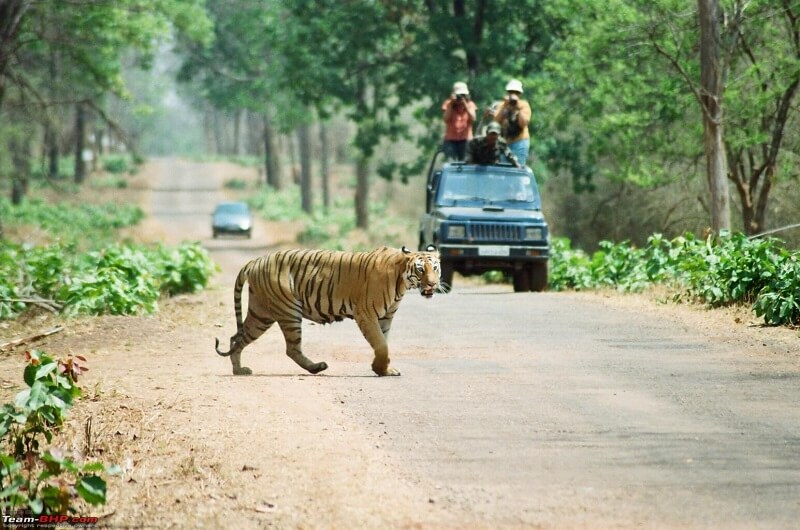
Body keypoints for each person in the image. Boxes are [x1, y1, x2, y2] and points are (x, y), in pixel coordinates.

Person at [493, 78, 531, 165]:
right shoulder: (502, 105)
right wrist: (505, 106)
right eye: (511, 92)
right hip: (504, 142)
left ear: (520, 94)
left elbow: (523, 123)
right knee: (502, 169)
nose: (513, 95)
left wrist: (517, 107)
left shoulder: (524, 105)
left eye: (516, 93)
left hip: (520, 142)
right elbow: (496, 121)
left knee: (518, 168)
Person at [441, 81, 477, 161]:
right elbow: (446, 119)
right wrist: (451, 104)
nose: (460, 97)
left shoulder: (470, 104)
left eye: (463, 95)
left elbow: (473, 118)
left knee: (465, 163)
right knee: (451, 162)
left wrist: (465, 105)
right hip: (450, 140)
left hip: (466, 140)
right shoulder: (448, 104)